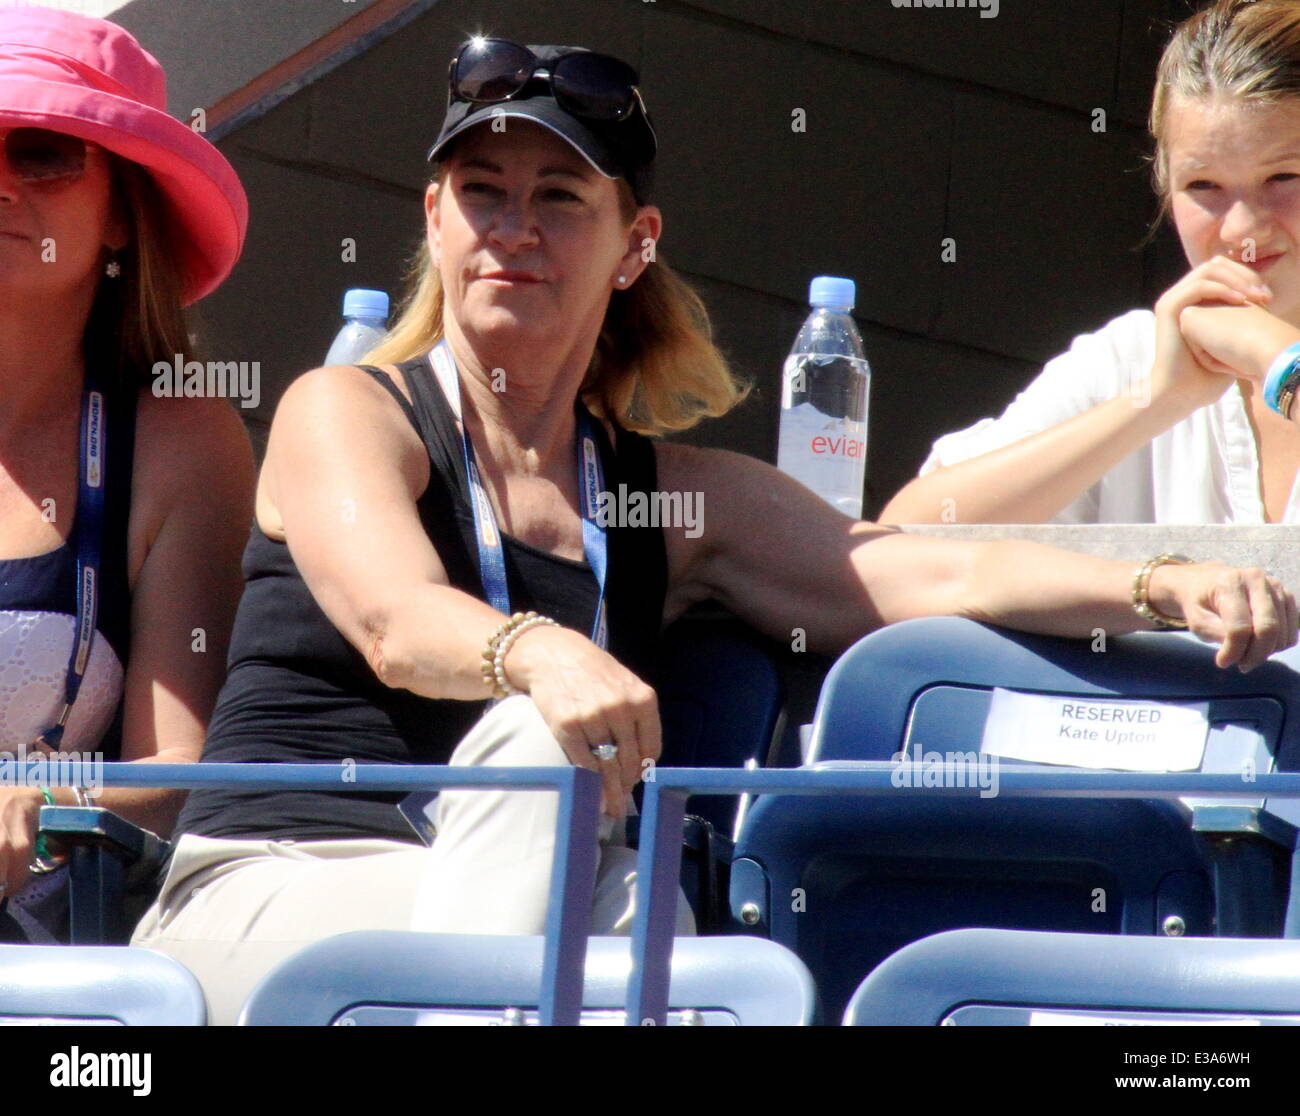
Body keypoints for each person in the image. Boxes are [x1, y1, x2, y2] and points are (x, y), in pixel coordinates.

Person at [132, 37, 1298, 1026]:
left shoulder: (672, 500)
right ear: (433, 218)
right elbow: (395, 621)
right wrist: (539, 652)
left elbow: (915, 562)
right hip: (281, 884)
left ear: (634, 241)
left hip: (533, 909)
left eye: (558, 198)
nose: (512, 230)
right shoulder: (345, 410)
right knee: (557, 779)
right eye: (482, 192)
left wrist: (1157, 581)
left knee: (685, 956)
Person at [0, 8, 253, 940]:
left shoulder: (183, 440)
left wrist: (40, 801)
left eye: (41, 153)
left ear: (119, 217)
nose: (0, 185)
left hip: (48, 973)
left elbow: (182, 774)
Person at [881, 0, 1300, 526]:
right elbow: (911, 536)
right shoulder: (1137, 358)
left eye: (1284, 178)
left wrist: (1282, 360)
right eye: (1203, 186)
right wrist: (1159, 401)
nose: (1240, 229)